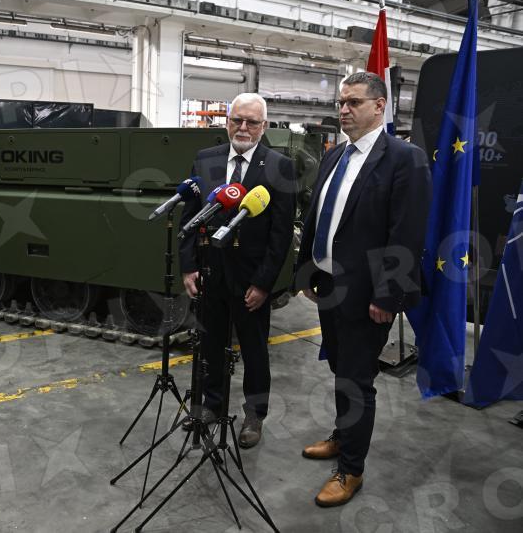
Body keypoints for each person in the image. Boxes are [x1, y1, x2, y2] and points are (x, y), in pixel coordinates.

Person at [295, 72, 431, 507]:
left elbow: (406, 233)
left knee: (357, 380)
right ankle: (343, 435)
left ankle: (351, 469)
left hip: (368, 294)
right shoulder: (336, 156)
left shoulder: (405, 159)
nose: (343, 110)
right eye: (341, 102)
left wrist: (388, 296)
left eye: (353, 102)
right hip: (328, 285)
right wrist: (307, 274)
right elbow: (318, 216)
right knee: (340, 368)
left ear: (379, 106)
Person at [178, 93, 296, 448]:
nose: (243, 128)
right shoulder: (206, 159)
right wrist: (188, 268)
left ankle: (254, 415)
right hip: (210, 274)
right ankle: (212, 405)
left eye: (252, 122)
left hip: (251, 279)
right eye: (237, 120)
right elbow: (189, 216)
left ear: (264, 126)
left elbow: (280, 234)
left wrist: (264, 283)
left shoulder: (278, 166)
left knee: (254, 349)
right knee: (210, 343)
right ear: (228, 121)